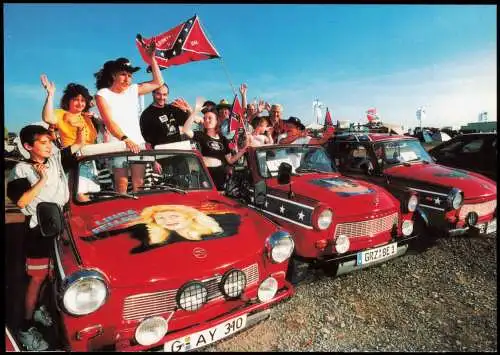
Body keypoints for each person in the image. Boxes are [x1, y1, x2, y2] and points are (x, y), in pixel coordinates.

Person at [6, 125, 84, 351]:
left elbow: (78, 146)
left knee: (53, 273)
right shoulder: (20, 170)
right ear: (29, 146)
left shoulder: (55, 158)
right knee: (37, 277)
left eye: (49, 141)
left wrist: (79, 130)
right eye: (42, 142)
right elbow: (21, 202)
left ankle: (40, 309)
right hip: (38, 230)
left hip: (59, 226)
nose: (48, 145)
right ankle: (26, 326)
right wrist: (41, 180)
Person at [94, 42, 164, 194]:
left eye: (130, 75)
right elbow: (109, 122)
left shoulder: (133, 90)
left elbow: (159, 82)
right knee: (122, 187)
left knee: (139, 186)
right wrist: (125, 139)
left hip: (138, 143)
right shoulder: (102, 94)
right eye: (123, 74)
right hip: (119, 144)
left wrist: (152, 58)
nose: (127, 79)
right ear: (114, 75)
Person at [183, 106, 250, 190]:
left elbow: (230, 160)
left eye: (210, 118)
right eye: (205, 118)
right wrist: (194, 112)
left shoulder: (223, 139)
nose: (206, 120)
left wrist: (243, 150)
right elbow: (185, 130)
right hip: (206, 175)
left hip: (221, 175)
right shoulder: (200, 135)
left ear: (216, 121)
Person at [40, 75, 98, 148]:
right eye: (76, 100)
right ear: (68, 100)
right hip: (74, 156)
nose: (80, 103)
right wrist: (50, 94)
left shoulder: (87, 117)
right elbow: (47, 118)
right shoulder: (61, 114)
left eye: (83, 100)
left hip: (93, 156)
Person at [139, 83, 193, 148]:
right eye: (158, 94)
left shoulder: (172, 108)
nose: (162, 97)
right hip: (161, 153)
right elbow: (147, 140)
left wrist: (189, 110)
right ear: (153, 94)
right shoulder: (146, 115)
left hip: (178, 150)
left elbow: (187, 124)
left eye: (164, 94)